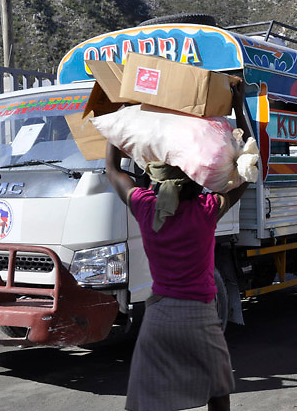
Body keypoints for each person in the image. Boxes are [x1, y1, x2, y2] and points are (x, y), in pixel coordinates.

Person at [106, 80, 251, 411]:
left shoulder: (145, 207)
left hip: (158, 316)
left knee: (148, 395)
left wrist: (117, 119)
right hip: (200, 315)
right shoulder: (206, 210)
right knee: (217, 391)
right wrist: (239, 107)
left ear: (155, 182)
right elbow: (246, 170)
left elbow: (112, 170)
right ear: (195, 181)